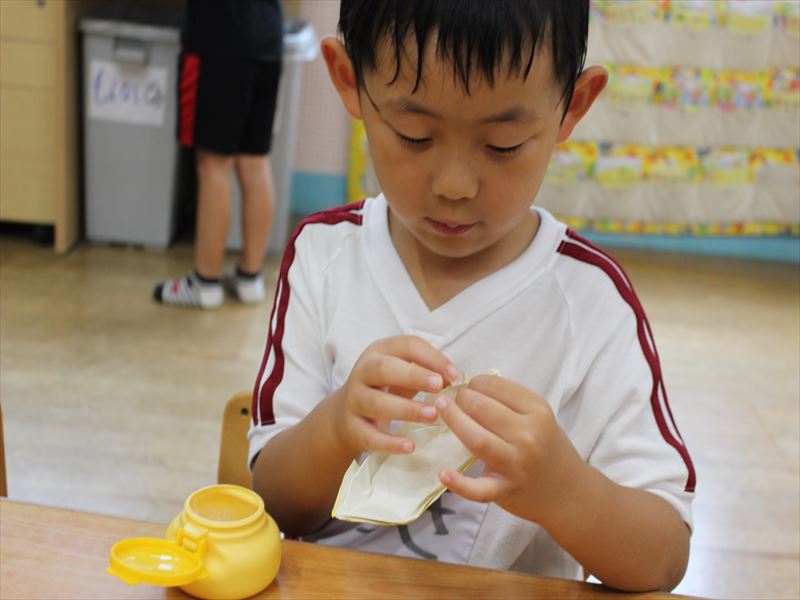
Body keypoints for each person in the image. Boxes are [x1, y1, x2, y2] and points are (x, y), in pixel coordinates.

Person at [248, 0, 695, 592]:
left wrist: (564, 489)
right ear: (349, 81)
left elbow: (664, 556)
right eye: (414, 135)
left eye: (503, 144)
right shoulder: (324, 255)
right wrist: (335, 429)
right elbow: (273, 500)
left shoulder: (591, 302)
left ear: (573, 105)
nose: (455, 186)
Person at [154, 0, 284, 308]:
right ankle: (250, 278)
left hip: (219, 39)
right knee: (255, 161)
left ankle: (206, 282)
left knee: (213, 164)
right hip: (267, 37)